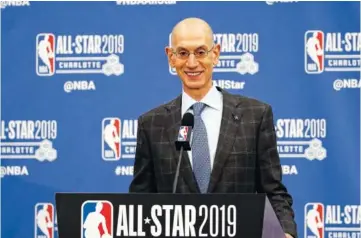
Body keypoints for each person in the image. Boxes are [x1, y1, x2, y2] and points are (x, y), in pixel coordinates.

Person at [129, 17, 297, 238]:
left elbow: (274, 192)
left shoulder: (255, 116)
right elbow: (141, 202)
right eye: (182, 53)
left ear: (215, 53)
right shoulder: (152, 124)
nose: (191, 63)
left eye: (200, 52)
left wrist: (286, 233)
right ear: (170, 57)